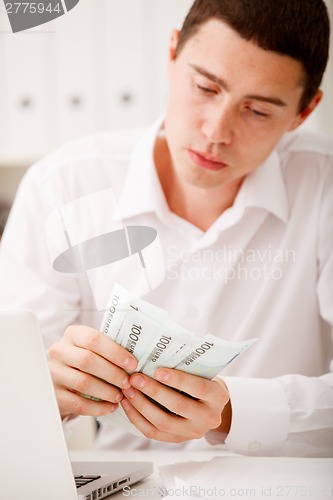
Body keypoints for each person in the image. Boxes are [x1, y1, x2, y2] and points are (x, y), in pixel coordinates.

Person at [0, 0, 332, 457]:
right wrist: (42, 391)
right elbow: (9, 400)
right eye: (205, 87)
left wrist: (233, 409)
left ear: (304, 110)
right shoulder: (64, 186)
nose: (216, 131)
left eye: (257, 111)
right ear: (172, 53)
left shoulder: (324, 188)